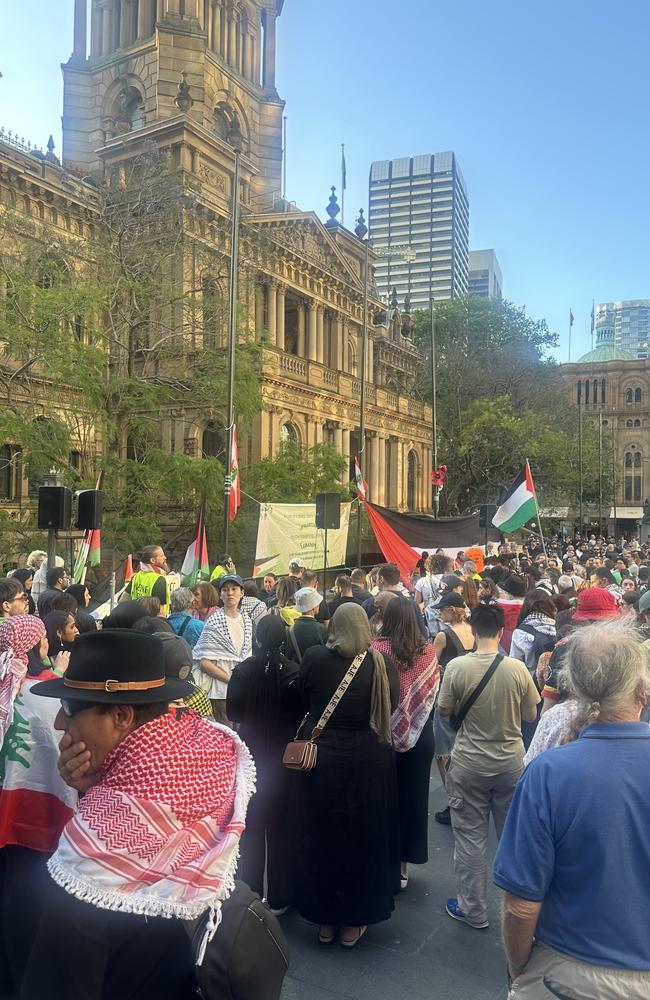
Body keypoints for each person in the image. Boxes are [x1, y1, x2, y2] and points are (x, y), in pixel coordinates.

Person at [28, 629, 255, 1000]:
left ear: (120, 715)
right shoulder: (213, 756)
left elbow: (59, 980)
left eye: (69, 709)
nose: (58, 724)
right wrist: (94, 787)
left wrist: (95, 801)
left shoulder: (90, 854)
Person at [494, 620, 650, 998]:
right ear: (642, 691)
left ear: (575, 689)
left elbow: (520, 906)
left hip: (564, 973)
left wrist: (518, 968)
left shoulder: (549, 772)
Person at [292, 604, 400, 948]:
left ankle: (324, 919)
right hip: (369, 758)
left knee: (323, 836)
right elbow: (392, 703)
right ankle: (355, 921)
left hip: (324, 759)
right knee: (364, 838)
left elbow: (302, 698)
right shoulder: (380, 663)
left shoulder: (314, 657)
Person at [437, 603, 540, 930]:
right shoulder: (517, 669)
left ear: (474, 629)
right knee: (513, 838)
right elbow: (530, 716)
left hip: (468, 763)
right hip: (510, 764)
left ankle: (474, 910)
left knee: (469, 838)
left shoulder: (456, 667)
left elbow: (443, 711)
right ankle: (520, 911)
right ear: (499, 631)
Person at [0, 614, 78, 996]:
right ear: (35, 647)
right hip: (38, 821)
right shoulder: (51, 697)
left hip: (5, 813)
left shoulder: (7, 690)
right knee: (26, 907)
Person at [227, 617, 301, 913]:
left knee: (252, 830)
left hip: (252, 758)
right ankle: (282, 896)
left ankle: (251, 894)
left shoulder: (242, 671)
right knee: (281, 829)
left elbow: (233, 711)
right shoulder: (295, 672)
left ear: (256, 638)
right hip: (285, 760)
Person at [371, 599, 440, 889]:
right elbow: (430, 696)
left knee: (383, 800)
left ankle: (381, 861)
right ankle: (402, 866)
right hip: (421, 736)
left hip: (382, 734)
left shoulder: (376, 649)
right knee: (413, 800)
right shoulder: (428, 651)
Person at [431, 592, 475, 825]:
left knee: (444, 751)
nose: (439, 613)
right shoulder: (474, 631)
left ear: (451, 610)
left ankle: (454, 801)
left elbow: (432, 666)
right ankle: (469, 796)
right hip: (473, 698)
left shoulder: (443, 636)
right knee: (467, 748)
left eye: (442, 609)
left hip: (449, 697)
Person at [192, 574, 252, 724]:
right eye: (225, 590)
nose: (230, 593)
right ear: (220, 595)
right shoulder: (214, 622)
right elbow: (205, 663)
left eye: (234, 589)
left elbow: (248, 657)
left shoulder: (247, 620)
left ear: (242, 592)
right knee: (226, 736)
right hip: (221, 693)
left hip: (243, 690)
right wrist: (232, 680)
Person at [284, 586, 327, 660]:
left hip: (298, 670)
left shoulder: (290, 630)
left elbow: (288, 656)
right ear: (313, 607)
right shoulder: (321, 629)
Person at [125, 544, 170, 613]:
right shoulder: (159, 580)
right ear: (152, 560)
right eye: (161, 556)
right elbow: (160, 611)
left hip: (136, 620)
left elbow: (123, 600)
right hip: (152, 622)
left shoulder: (136, 576)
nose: (165, 557)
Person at [494, 573, 526, 653]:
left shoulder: (496, 608)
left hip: (499, 647)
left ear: (505, 592)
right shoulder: (528, 609)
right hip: (521, 652)